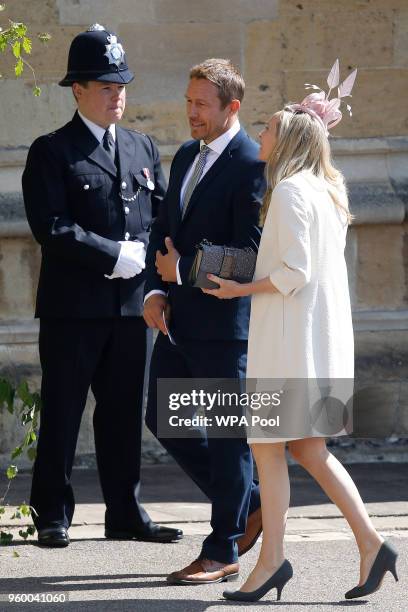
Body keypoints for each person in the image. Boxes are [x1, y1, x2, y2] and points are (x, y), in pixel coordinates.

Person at [203, 70, 399, 601]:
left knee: (268, 450)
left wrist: (235, 290)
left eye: (266, 130)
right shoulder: (328, 189)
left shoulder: (289, 191)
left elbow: (294, 274)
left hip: (287, 345)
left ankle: (272, 563)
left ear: (287, 140)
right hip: (317, 344)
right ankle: (370, 543)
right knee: (310, 452)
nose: (259, 137)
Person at [22, 24, 182, 548]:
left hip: (129, 309)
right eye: (107, 87)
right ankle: (52, 512)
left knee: (121, 417)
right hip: (74, 310)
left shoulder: (140, 147)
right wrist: (113, 253)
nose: (118, 95)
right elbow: (52, 227)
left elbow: (160, 218)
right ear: (79, 91)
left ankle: (124, 511)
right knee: (64, 412)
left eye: (121, 86)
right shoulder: (52, 151)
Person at [143, 58, 265, 584]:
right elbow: (165, 224)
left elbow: (253, 255)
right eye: (188, 101)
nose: (190, 113)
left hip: (224, 324)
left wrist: (185, 270)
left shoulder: (253, 163)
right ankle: (253, 503)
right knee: (159, 416)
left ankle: (222, 549)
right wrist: (155, 288)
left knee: (227, 436)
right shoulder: (187, 154)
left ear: (231, 107)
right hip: (176, 320)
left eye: (201, 105)